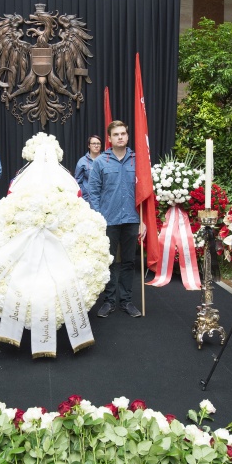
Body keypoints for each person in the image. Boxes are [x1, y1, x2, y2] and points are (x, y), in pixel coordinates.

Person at [89, 120, 142, 318]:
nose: (120, 137)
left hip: (132, 218)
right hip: (108, 219)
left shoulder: (138, 161)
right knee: (108, 262)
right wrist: (98, 216)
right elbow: (92, 191)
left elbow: (144, 192)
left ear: (127, 136)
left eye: (123, 133)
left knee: (129, 262)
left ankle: (126, 301)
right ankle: (109, 301)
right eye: (116, 134)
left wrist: (143, 220)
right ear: (109, 139)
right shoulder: (101, 161)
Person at [74, 134, 102, 205]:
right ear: (89, 145)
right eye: (94, 143)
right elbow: (77, 182)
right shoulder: (82, 161)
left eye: (98, 143)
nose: (96, 146)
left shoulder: (105, 160)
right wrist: (84, 194)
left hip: (103, 197)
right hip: (88, 199)